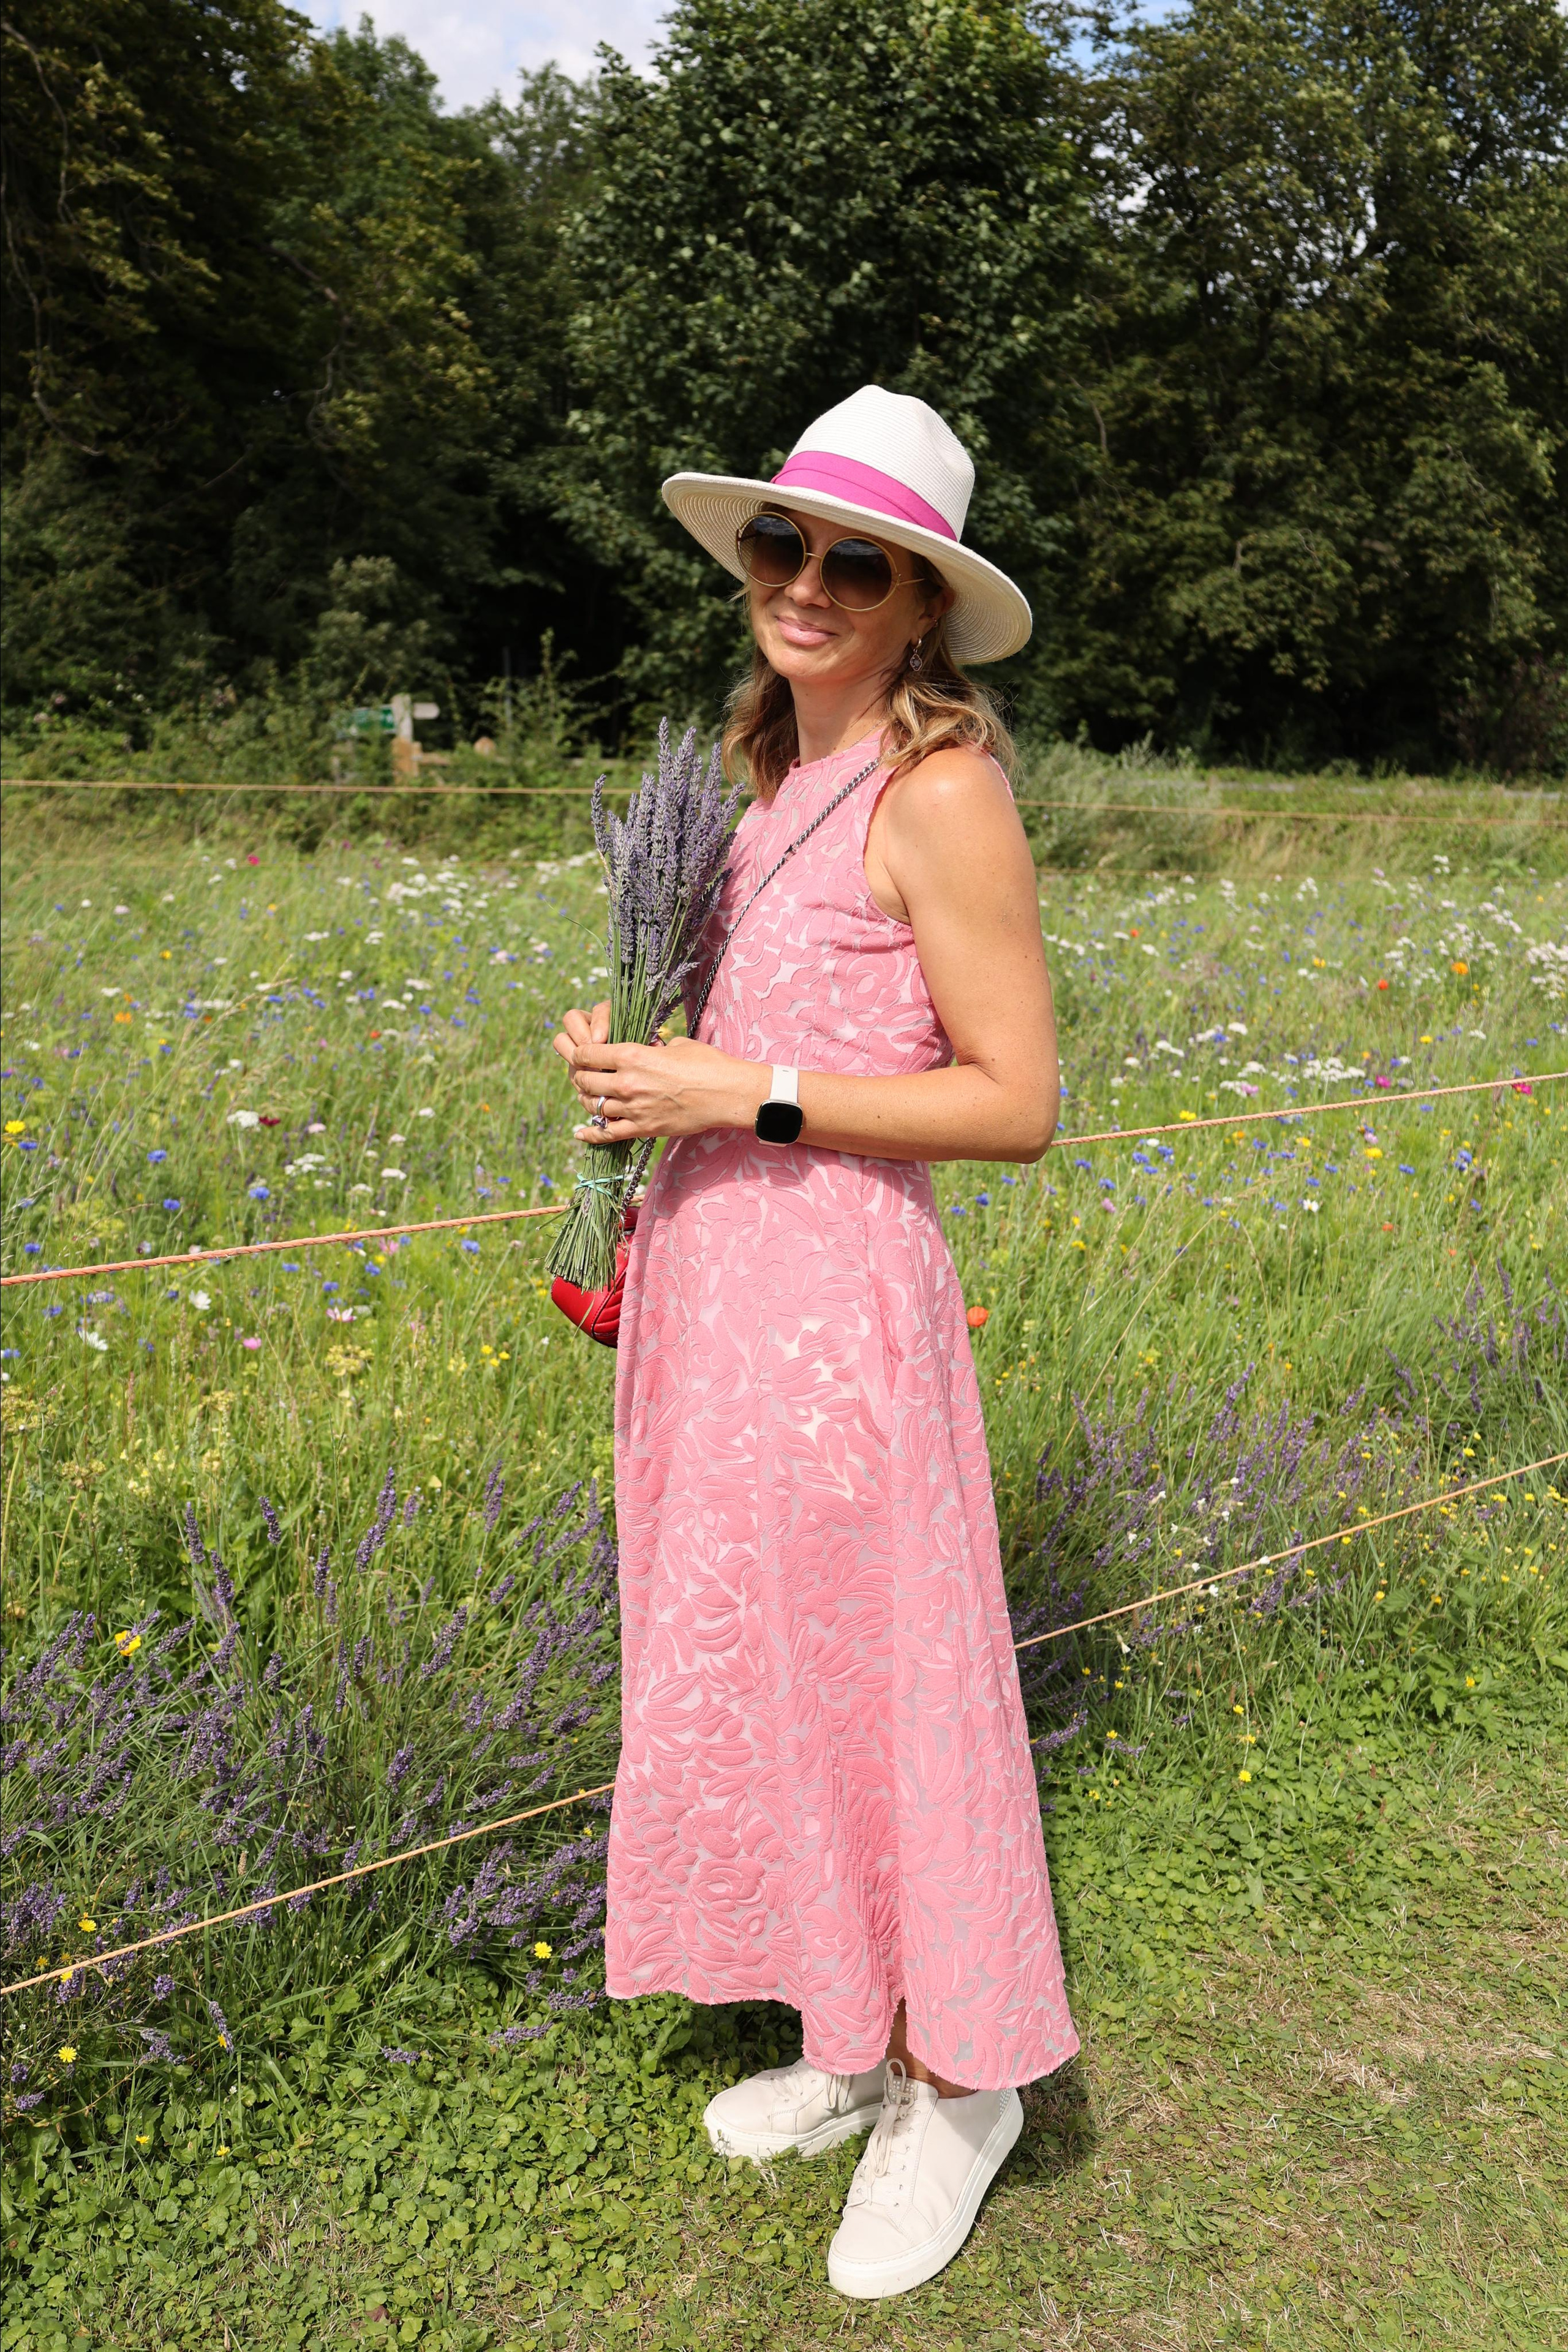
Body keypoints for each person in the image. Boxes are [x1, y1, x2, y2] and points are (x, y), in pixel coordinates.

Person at [554, 385, 1077, 2302]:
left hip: (844, 1311)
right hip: (715, 1298)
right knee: (772, 1668)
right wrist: (637, 1079)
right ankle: (852, 2036)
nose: (808, 584)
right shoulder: (761, 772)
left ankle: (966, 2084)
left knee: (890, 1679)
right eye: (784, 546)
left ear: (920, 605)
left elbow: (1015, 1099)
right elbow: (741, 1046)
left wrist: (745, 1086)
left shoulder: (942, 790)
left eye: (859, 565)